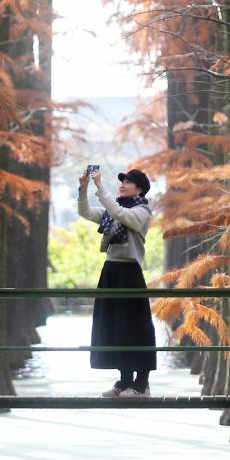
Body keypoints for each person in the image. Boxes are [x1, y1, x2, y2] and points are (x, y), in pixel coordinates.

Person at [78, 167, 156, 397]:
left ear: (140, 188)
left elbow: (122, 215)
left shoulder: (142, 212)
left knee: (135, 327)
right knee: (114, 326)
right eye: (122, 182)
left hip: (130, 272)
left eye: (128, 182)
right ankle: (124, 380)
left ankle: (141, 383)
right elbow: (85, 212)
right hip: (111, 270)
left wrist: (100, 188)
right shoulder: (114, 210)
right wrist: (83, 188)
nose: (122, 185)